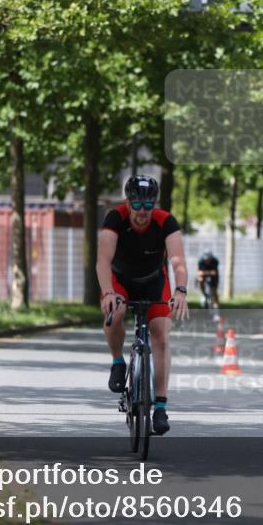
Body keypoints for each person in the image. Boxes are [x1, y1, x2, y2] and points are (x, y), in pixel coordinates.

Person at [97, 175, 190, 435]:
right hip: (120, 280)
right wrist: (108, 293)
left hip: (153, 280)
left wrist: (181, 290)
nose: (141, 212)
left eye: (147, 206)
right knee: (115, 313)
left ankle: (160, 406)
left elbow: (178, 262)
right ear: (127, 203)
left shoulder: (165, 221)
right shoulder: (115, 218)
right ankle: (118, 361)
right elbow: (103, 261)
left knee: (160, 336)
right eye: (136, 205)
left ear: (154, 205)